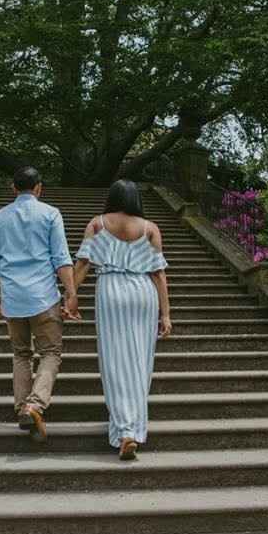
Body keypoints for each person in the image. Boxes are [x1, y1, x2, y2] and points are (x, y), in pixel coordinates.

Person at [74, 179, 172, 460]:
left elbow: (83, 263)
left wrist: (70, 295)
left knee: (115, 362)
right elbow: (159, 274)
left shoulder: (97, 224)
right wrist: (165, 314)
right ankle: (134, 428)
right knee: (140, 361)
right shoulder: (151, 228)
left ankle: (124, 430)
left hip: (111, 291)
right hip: (144, 293)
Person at [0, 166, 80, 443]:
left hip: (12, 298)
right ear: (38, 188)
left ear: (14, 189)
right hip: (43, 296)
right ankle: (35, 405)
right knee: (51, 352)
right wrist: (71, 293)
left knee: (21, 354)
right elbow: (61, 257)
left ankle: (21, 407)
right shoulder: (50, 213)